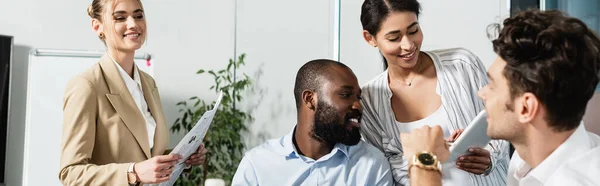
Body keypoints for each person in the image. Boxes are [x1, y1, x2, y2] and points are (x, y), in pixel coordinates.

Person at [358, 0, 509, 185]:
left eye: (413, 31)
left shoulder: (462, 64)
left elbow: (504, 116)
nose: (408, 45)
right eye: (394, 38)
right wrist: (432, 151)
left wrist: (490, 156)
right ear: (370, 38)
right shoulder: (369, 100)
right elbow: (382, 167)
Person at [58, 0, 207, 185]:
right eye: (120, 17)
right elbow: (71, 173)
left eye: (138, 16)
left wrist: (182, 157)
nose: (133, 24)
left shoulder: (148, 83)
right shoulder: (86, 85)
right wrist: (132, 173)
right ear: (97, 26)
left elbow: (147, 153)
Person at [479, 9, 600, 186]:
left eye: (492, 86)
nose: (482, 93)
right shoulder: (525, 160)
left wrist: (428, 167)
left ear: (526, 108)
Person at [231, 59, 393, 186]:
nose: (358, 105)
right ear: (310, 99)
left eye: (358, 97)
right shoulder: (257, 164)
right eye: (345, 94)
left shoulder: (372, 165)